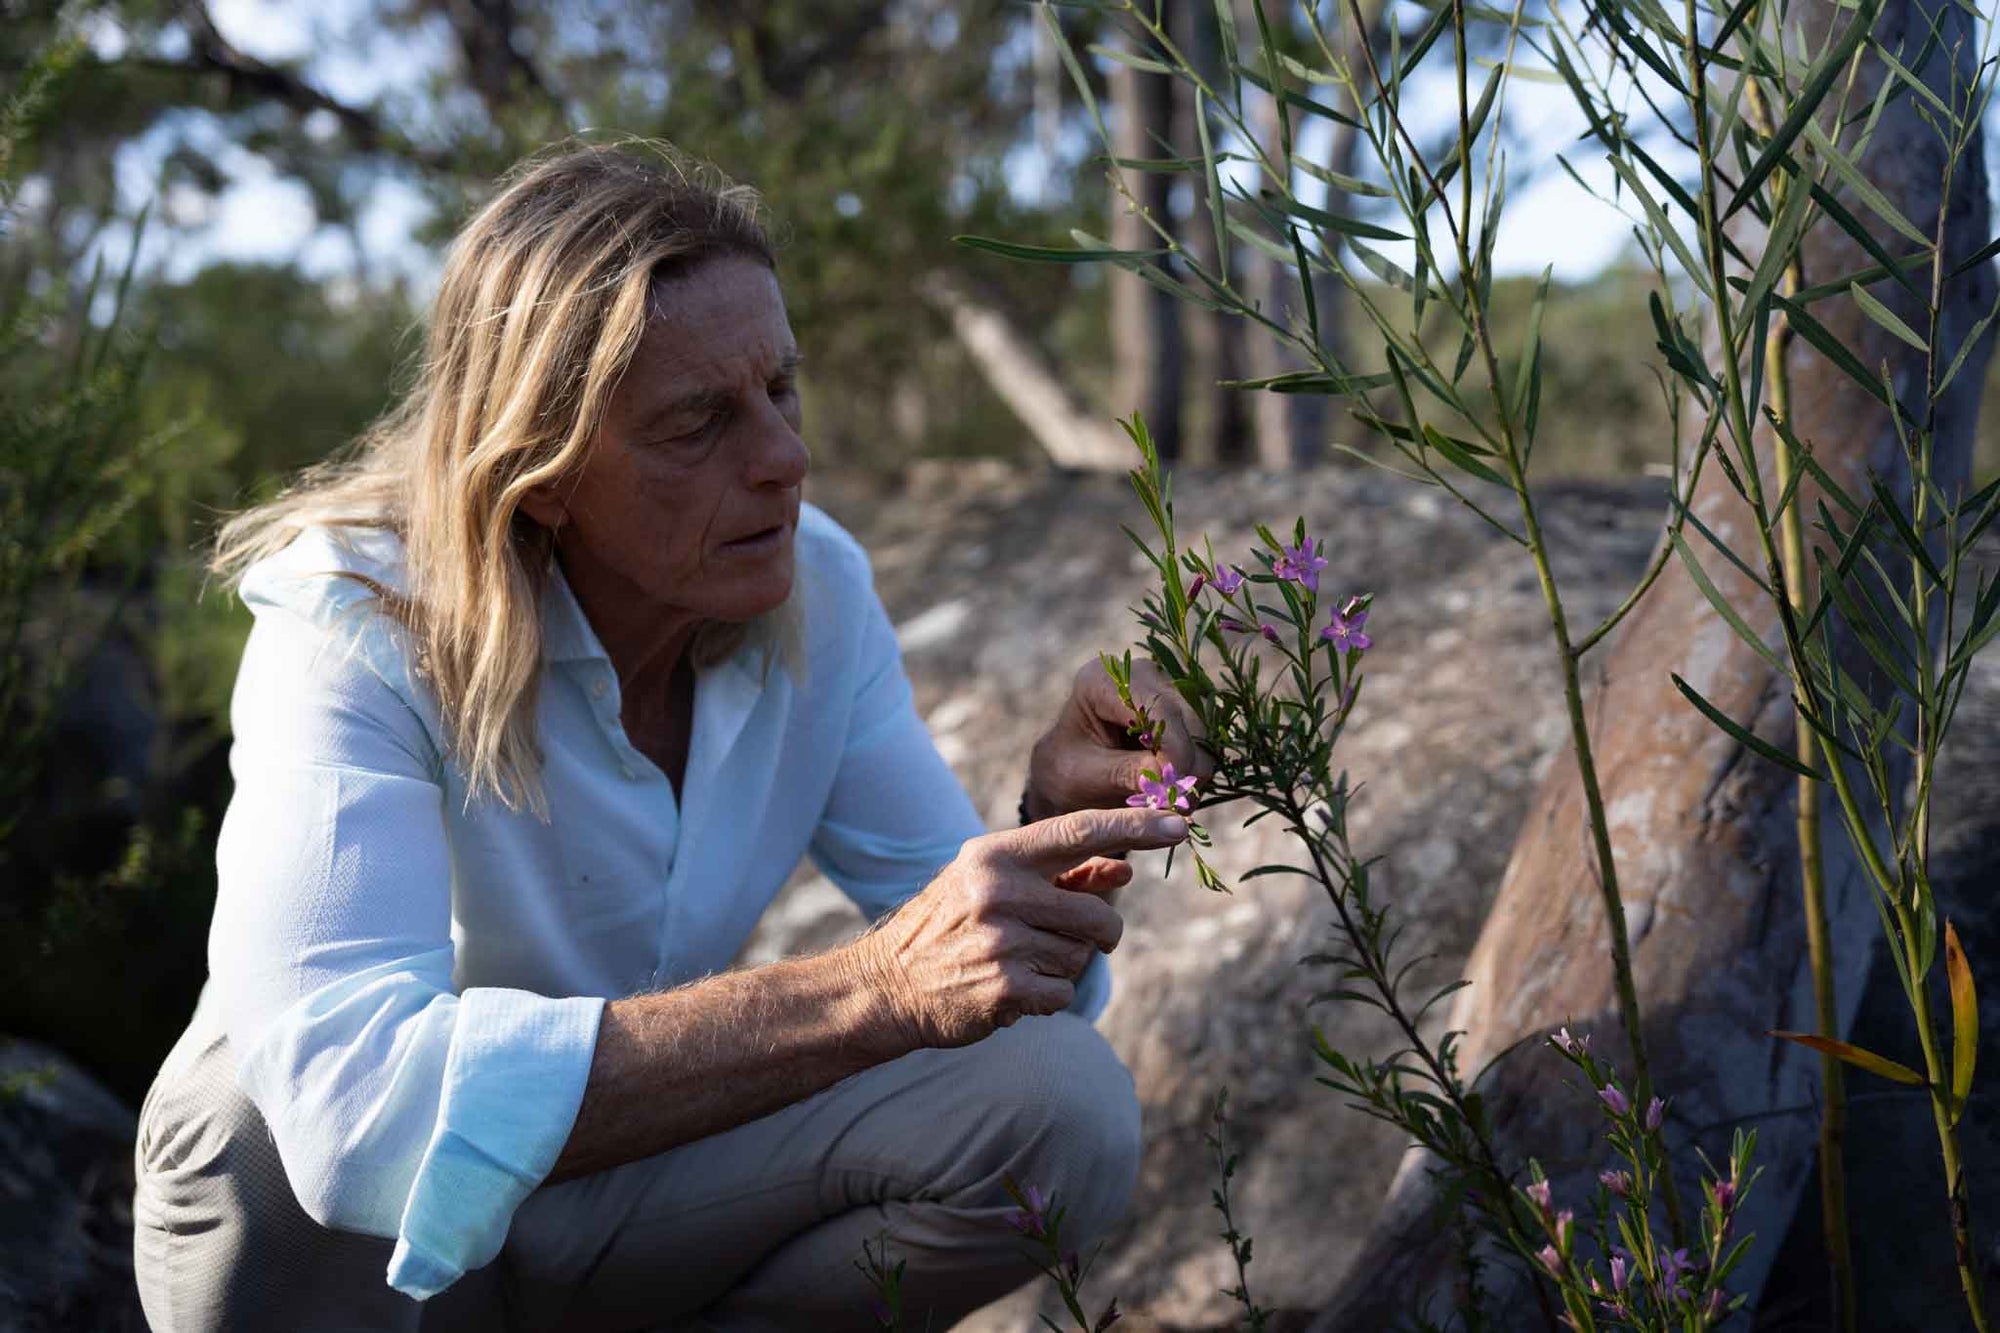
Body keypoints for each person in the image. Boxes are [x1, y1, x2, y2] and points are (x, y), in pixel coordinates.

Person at [130, 141, 1212, 1332]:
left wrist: (1051, 840)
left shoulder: (820, 594)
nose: (784, 459)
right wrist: (869, 988)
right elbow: (345, 1113)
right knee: (254, 1120)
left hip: (620, 1195)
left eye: (781, 390)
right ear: (537, 470)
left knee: (1059, 1101)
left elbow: (981, 990)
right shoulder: (357, 617)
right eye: (698, 421)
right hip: (351, 1251)